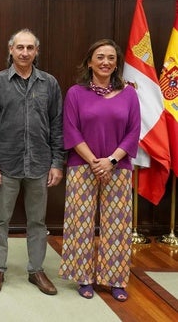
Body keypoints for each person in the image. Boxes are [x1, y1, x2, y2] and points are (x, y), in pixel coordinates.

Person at [0, 28, 64, 296]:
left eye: (30, 48)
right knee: (0, 219)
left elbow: (57, 125)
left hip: (40, 164)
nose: (25, 52)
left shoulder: (49, 83)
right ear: (10, 50)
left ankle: (36, 270)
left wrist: (57, 162)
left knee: (37, 221)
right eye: (20, 47)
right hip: (6, 164)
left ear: (36, 51)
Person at [59, 39, 140, 302]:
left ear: (117, 64)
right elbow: (70, 130)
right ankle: (83, 277)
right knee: (79, 224)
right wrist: (95, 160)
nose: (105, 62)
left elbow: (133, 132)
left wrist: (111, 161)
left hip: (118, 167)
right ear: (90, 62)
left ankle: (114, 279)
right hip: (83, 166)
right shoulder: (75, 93)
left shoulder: (129, 93)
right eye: (100, 57)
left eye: (111, 58)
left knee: (117, 226)